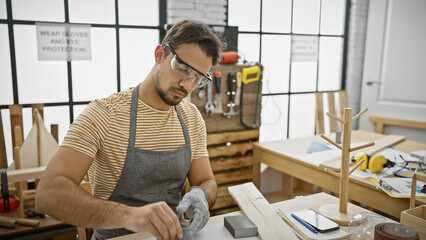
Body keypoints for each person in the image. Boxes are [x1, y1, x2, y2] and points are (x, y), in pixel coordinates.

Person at [35, 20, 224, 240]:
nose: (187, 85)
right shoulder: (104, 114)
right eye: (182, 68)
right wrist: (130, 216)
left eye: (198, 78)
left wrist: (201, 194)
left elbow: (206, 181)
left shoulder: (191, 119)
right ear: (159, 54)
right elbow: (49, 194)